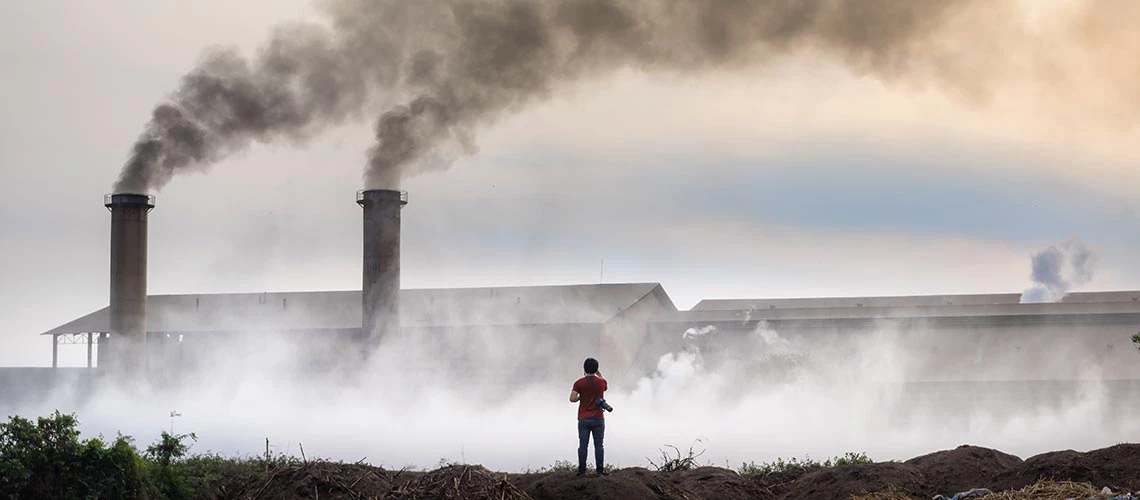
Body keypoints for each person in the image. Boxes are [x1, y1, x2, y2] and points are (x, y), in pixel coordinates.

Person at [569, 357, 608, 477]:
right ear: (596, 369)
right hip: (598, 418)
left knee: (583, 445)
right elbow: (604, 384)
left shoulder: (579, 383)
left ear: (584, 369)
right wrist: (598, 373)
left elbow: (572, 399)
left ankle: (581, 472)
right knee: (599, 446)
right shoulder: (602, 383)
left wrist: (581, 396)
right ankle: (600, 471)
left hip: (584, 418)